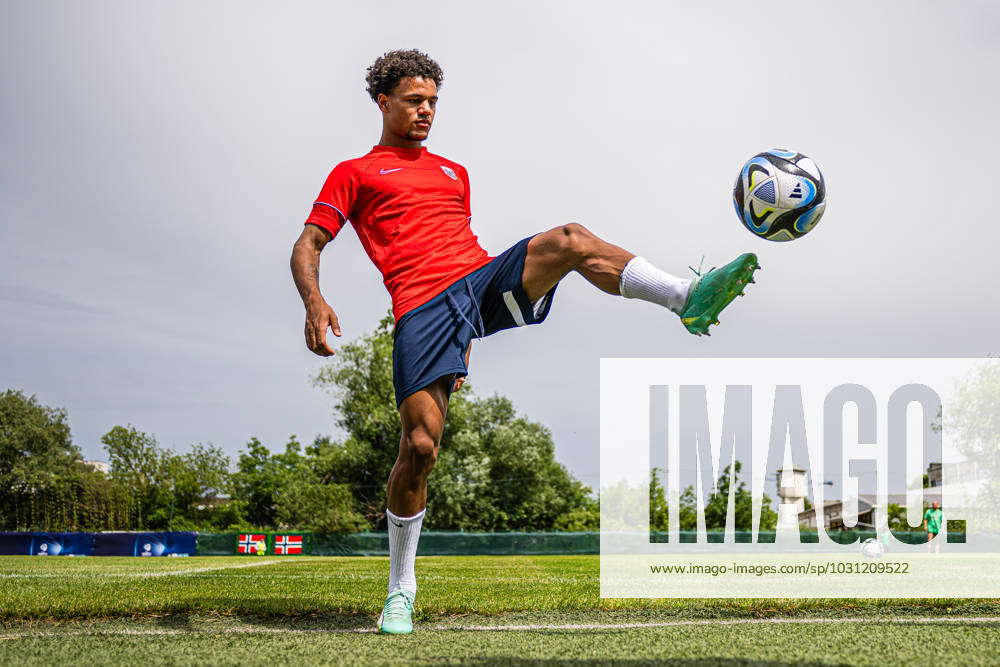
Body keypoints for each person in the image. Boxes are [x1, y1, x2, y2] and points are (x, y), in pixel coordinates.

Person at [289, 49, 761, 634]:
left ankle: (683, 298)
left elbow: (455, 238)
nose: (426, 111)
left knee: (569, 239)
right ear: (383, 102)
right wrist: (315, 302)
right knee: (420, 447)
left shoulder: (453, 172)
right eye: (414, 101)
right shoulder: (353, 173)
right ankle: (401, 590)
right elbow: (308, 244)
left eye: (433, 101)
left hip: (477, 279)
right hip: (421, 308)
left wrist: (490, 289)